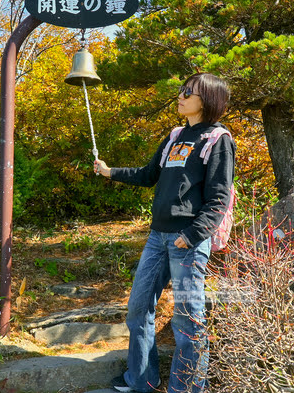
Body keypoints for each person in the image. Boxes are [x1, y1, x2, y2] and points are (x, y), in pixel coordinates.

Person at [94, 72, 235, 393]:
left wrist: (193, 234)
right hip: (157, 238)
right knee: (138, 309)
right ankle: (141, 380)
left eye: (189, 92)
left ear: (208, 100)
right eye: (182, 90)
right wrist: (109, 171)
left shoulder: (217, 140)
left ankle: (186, 388)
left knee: (188, 319)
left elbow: (219, 198)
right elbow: (147, 175)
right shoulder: (175, 136)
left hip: (188, 242)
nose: (181, 95)